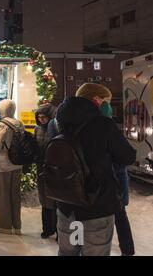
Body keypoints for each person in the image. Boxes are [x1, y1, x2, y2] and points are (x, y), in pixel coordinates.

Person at [55, 83, 136, 256]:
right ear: (96, 100)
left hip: (66, 206)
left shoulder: (58, 121)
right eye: (106, 101)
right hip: (97, 207)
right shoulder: (103, 125)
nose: (108, 104)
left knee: (67, 253)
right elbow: (127, 156)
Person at [100, 98, 135, 256]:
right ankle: (127, 251)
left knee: (111, 219)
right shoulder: (112, 130)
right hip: (117, 185)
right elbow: (127, 157)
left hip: (110, 185)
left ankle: (125, 250)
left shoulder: (100, 130)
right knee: (120, 218)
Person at [0, 99, 24, 235]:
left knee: (4, 195)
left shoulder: (3, 125)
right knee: (15, 195)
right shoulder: (19, 123)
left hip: (4, 165)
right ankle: (17, 225)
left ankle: (5, 225)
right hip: (18, 164)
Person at [34, 103, 58, 239]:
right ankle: (47, 229)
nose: (41, 120)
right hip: (41, 168)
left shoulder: (55, 129)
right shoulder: (37, 129)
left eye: (44, 117)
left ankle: (57, 229)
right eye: (39, 117)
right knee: (44, 199)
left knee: (54, 199)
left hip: (53, 169)